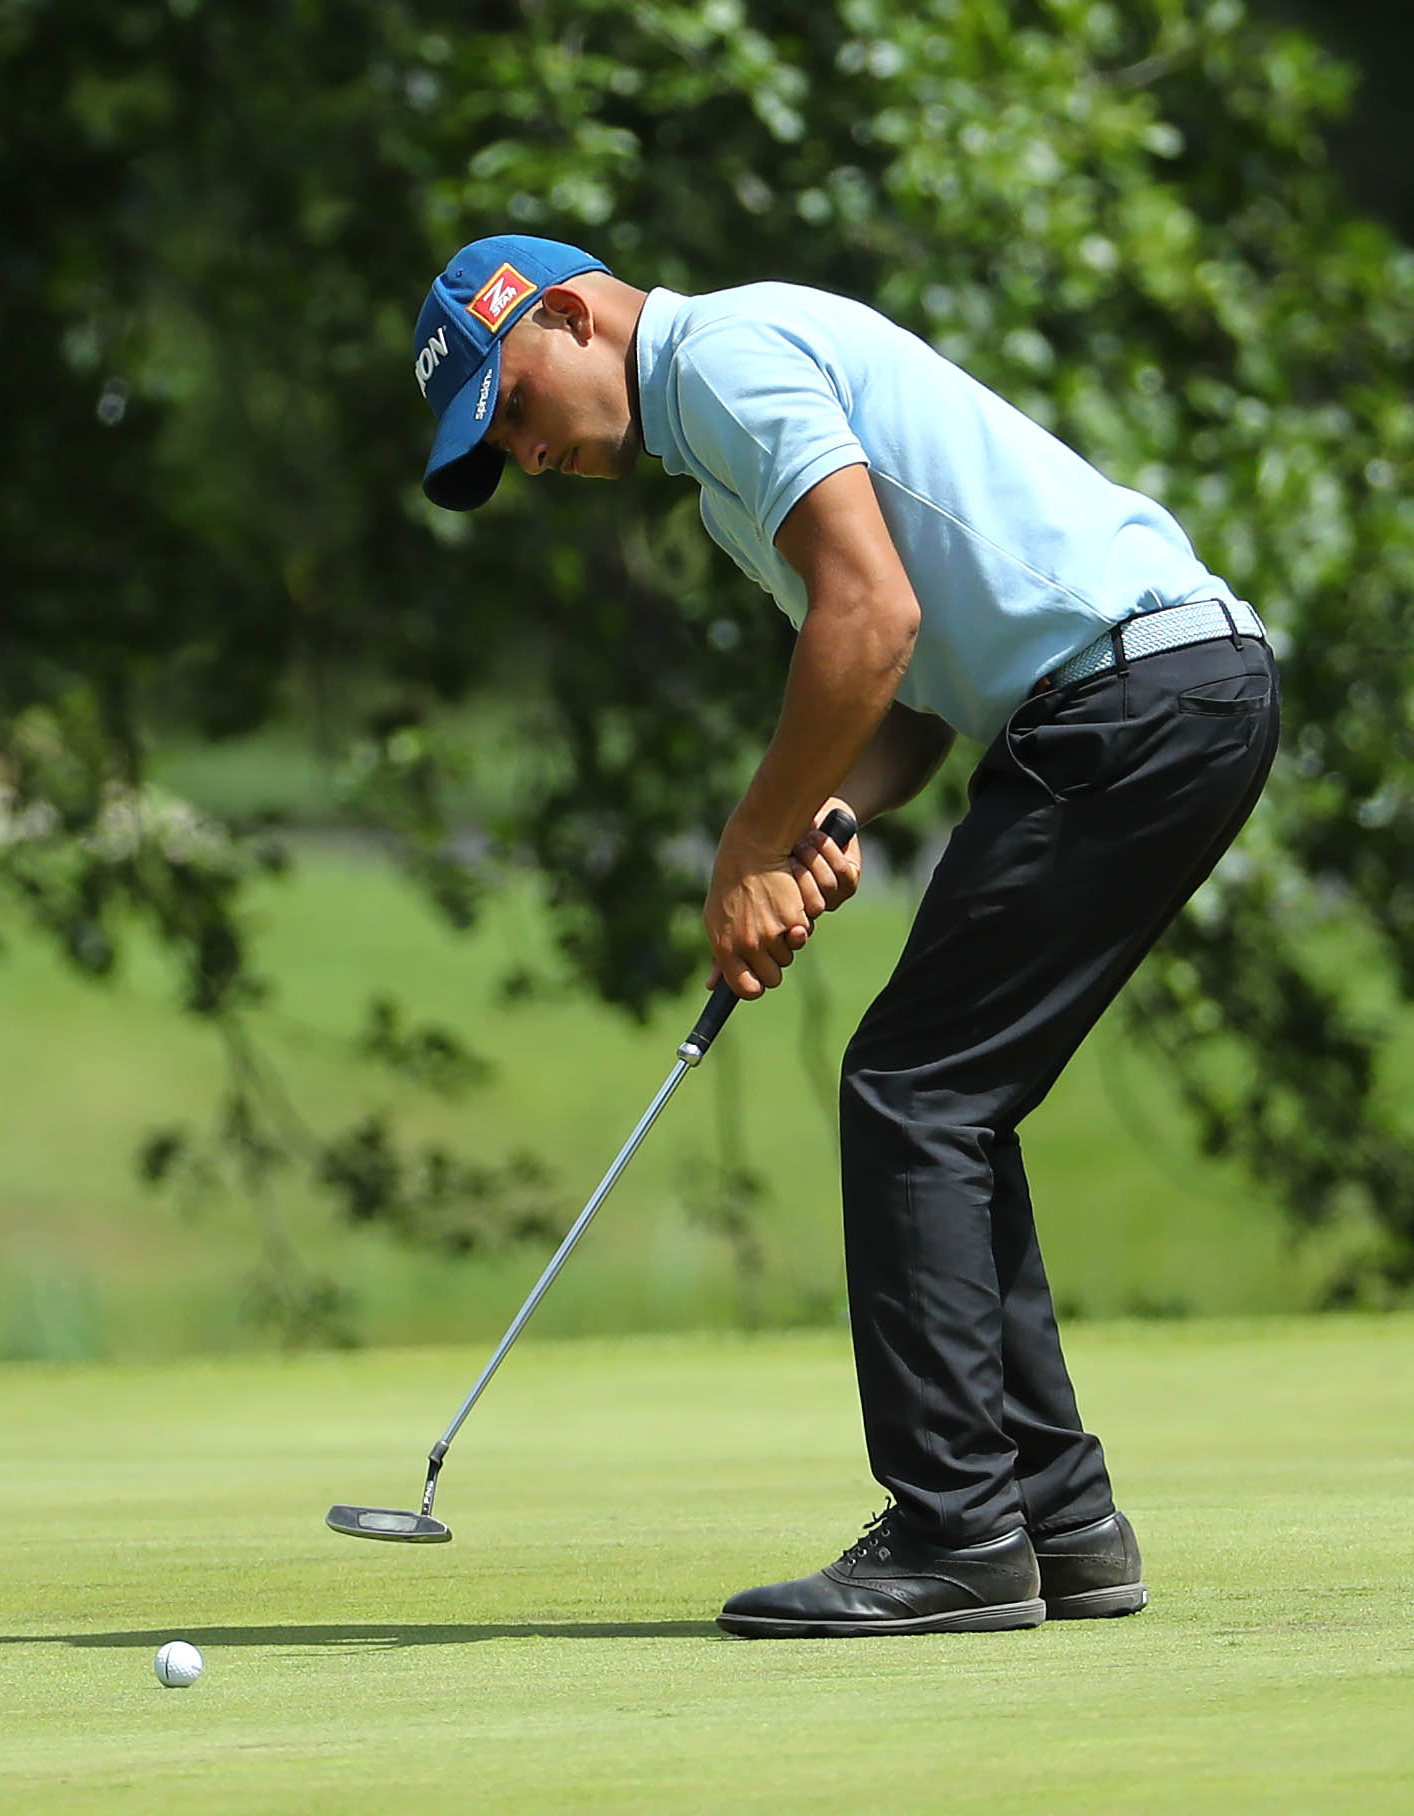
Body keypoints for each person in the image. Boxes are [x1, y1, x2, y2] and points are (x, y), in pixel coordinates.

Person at [411, 233, 1280, 1637]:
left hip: (1130, 699)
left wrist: (751, 846)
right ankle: (1057, 1522)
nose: (527, 456)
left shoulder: (729, 361)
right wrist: (822, 806)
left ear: (569, 314)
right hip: (1155, 698)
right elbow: (911, 695)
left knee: (913, 1093)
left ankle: (957, 1532)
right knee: (951, 1098)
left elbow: (871, 619)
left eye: (512, 408)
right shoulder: (717, 475)